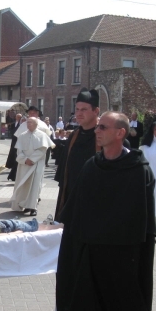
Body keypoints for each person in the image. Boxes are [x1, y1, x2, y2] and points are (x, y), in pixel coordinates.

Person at [55, 112, 156, 311]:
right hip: (92, 254)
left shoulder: (138, 170)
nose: (96, 131)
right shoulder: (92, 166)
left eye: (103, 127)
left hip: (124, 258)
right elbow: (76, 209)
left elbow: (144, 222)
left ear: (120, 133)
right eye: (97, 126)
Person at [54, 88, 100, 221]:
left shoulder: (104, 137)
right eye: (77, 109)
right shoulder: (74, 136)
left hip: (94, 199)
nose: (78, 113)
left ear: (96, 111)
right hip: (71, 198)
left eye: (84, 109)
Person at [11, 117, 52, 216]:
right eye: (27, 122)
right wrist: (25, 160)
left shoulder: (42, 135)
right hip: (24, 165)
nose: (28, 124)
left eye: (31, 123)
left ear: (36, 124)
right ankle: (25, 204)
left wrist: (32, 159)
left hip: (36, 164)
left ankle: (33, 207)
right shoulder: (22, 136)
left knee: (35, 186)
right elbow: (19, 151)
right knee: (24, 185)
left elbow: (42, 150)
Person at [5, 113, 22, 181]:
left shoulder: (21, 125)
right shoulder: (13, 124)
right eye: (17, 117)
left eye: (19, 117)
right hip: (14, 142)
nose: (18, 118)